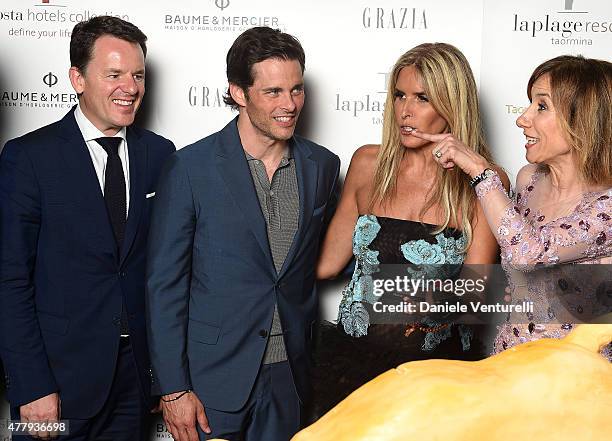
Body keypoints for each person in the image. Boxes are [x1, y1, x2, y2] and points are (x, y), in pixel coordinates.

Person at [146, 26, 340, 441]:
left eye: (297, 90)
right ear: (238, 92)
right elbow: (165, 285)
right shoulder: (191, 168)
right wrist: (173, 388)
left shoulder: (321, 165)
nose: (290, 105)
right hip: (211, 379)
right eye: (273, 92)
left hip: (290, 376)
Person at [0, 16, 175, 440]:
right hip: (55, 386)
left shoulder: (160, 154)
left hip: (134, 383)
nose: (130, 88)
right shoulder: (29, 158)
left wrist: (161, 376)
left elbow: (162, 272)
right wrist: (33, 384)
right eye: (113, 74)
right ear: (77, 79)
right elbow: (10, 280)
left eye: (137, 75)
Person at [313, 42, 509, 415]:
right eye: (400, 95)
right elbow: (325, 265)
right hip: (353, 361)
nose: (405, 110)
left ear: (452, 105)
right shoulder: (368, 163)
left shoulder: (484, 180)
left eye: (422, 98)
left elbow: (475, 292)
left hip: (434, 374)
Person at [415, 55, 611, 359]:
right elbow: (517, 270)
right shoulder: (528, 180)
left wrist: (480, 172)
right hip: (509, 368)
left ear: (583, 118)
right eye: (530, 103)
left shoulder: (607, 205)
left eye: (541, 106)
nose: (523, 119)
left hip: (572, 386)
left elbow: (527, 253)